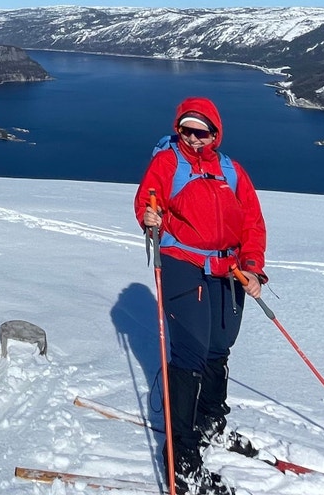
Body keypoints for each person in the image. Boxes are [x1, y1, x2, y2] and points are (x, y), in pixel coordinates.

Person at [135, 97, 267, 494]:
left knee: (218, 348)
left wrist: (253, 266)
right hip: (182, 263)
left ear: (215, 133)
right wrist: (148, 216)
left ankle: (211, 422)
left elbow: (252, 223)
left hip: (228, 270)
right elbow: (147, 199)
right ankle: (182, 459)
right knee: (190, 353)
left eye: (202, 132)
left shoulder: (232, 170)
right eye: (187, 131)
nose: (194, 139)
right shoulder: (168, 162)